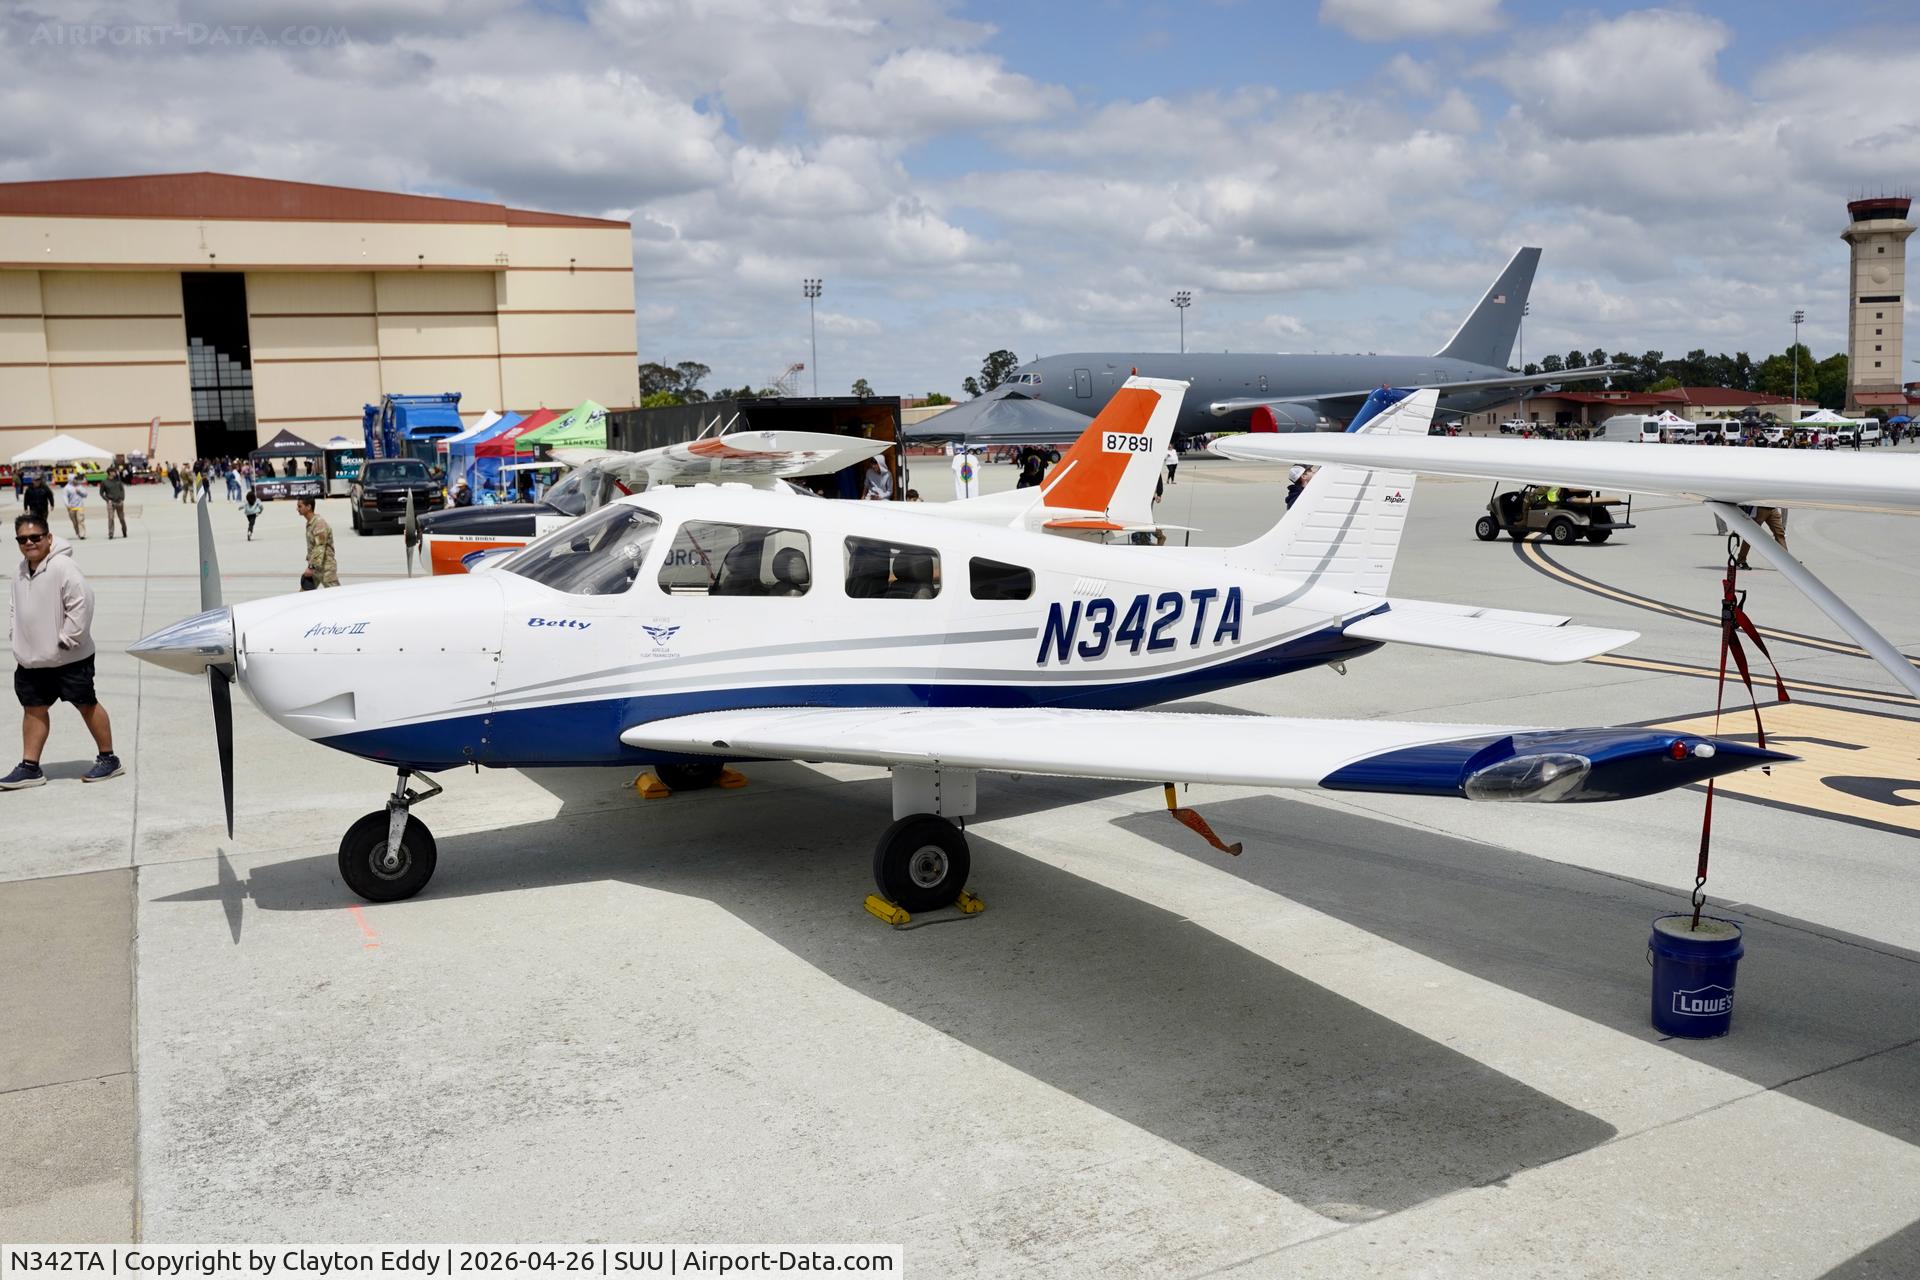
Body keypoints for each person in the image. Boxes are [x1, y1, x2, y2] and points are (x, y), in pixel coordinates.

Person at [3, 514, 121, 789]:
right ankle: (30, 767)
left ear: (48, 538)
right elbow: (14, 608)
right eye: (22, 539)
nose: (29, 543)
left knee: (86, 704)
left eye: (35, 537)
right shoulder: (20, 571)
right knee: (33, 709)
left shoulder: (63, 566)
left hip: (69, 658)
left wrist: (67, 639)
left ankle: (109, 759)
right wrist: (15, 636)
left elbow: (82, 603)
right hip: (32, 659)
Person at [296, 496, 339, 588]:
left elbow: (320, 547)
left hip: (326, 569)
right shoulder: (310, 523)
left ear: (309, 507)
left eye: (300, 506)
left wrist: (311, 567)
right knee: (304, 593)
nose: (297, 509)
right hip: (316, 567)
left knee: (336, 594)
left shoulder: (319, 524)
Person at [99, 467, 128, 539]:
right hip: (110, 503)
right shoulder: (104, 482)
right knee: (111, 518)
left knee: (121, 518)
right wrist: (107, 500)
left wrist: (122, 499)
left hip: (119, 502)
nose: (116, 473)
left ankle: (124, 531)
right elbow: (101, 493)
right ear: (110, 473)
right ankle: (111, 534)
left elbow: (122, 490)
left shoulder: (118, 481)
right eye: (114, 472)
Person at [61, 472, 89, 540]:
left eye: (76, 478)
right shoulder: (66, 488)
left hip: (80, 506)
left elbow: (85, 495)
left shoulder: (79, 486)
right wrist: (67, 505)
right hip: (71, 508)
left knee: (80, 520)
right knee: (75, 522)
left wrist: (80, 492)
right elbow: (65, 497)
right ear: (70, 479)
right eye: (74, 478)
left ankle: (82, 534)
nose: (76, 480)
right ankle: (78, 532)